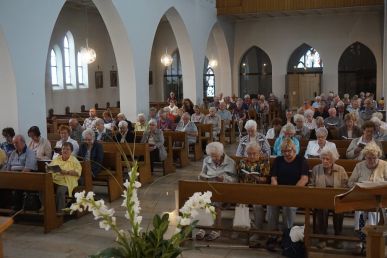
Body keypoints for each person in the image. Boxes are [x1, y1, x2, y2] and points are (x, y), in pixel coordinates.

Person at [266, 138, 309, 251]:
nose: (287, 154)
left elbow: (304, 179)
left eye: (289, 151)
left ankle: (287, 236)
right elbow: (273, 177)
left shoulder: (301, 160)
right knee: (271, 207)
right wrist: (276, 187)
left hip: (295, 193)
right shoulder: (279, 160)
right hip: (279, 192)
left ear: (294, 150)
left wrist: (292, 192)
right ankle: (273, 236)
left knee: (288, 208)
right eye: (284, 151)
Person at [348, 142, 387, 255]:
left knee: (375, 213)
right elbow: (350, 182)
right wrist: (360, 185)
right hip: (362, 198)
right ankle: (363, 242)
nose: (371, 161)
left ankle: (376, 241)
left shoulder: (384, 165)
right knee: (361, 211)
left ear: (378, 156)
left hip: (380, 200)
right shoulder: (359, 166)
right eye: (369, 158)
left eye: (374, 158)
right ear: (365, 157)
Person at [309, 148, 348, 249]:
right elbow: (311, 185)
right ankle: (322, 238)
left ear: (333, 159)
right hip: (321, 198)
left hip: (337, 199)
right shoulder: (316, 169)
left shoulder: (340, 169)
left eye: (328, 159)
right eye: (323, 158)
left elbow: (345, 187)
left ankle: (338, 238)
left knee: (339, 211)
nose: (325, 161)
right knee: (322, 210)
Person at [198, 142, 237, 241]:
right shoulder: (207, 160)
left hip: (224, 191)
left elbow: (235, 179)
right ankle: (203, 228)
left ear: (221, 153)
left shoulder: (230, 162)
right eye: (211, 156)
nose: (213, 158)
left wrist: (224, 179)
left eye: (215, 156)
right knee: (203, 201)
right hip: (210, 188)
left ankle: (216, 230)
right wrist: (201, 177)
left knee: (215, 202)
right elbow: (203, 173)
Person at [238, 142, 270, 243]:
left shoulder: (264, 162)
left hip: (259, 191)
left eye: (254, 153)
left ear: (259, 153)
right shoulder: (242, 161)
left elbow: (266, 179)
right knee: (240, 204)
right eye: (249, 153)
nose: (251, 156)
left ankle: (257, 232)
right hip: (244, 190)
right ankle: (240, 229)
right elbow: (238, 176)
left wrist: (257, 177)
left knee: (257, 206)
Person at [3, 135, 37, 210]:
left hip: (26, 177)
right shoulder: (13, 153)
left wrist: (16, 177)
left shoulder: (30, 153)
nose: (14, 145)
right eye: (14, 143)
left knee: (17, 186)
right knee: (2, 185)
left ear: (23, 142)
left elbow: (27, 169)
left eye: (16, 143)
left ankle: (16, 210)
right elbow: (8, 167)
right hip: (12, 176)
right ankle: (5, 209)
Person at [48, 142, 82, 212]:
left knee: (60, 191)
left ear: (71, 151)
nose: (65, 151)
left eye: (67, 149)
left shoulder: (74, 161)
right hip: (54, 180)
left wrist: (67, 172)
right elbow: (49, 168)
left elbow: (78, 173)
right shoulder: (57, 159)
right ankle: (49, 208)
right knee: (43, 187)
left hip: (66, 182)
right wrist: (49, 168)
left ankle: (60, 212)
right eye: (63, 149)